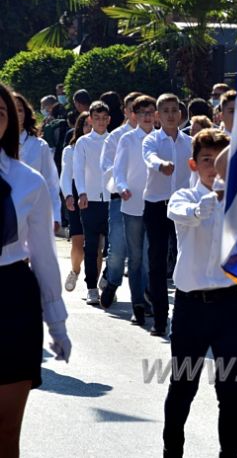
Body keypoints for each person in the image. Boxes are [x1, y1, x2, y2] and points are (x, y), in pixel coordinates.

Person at [162, 128, 237, 458]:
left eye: (220, 161)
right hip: (190, 308)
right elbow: (179, 212)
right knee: (183, 385)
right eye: (207, 160)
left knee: (230, 390)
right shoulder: (184, 196)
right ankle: (173, 450)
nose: (214, 168)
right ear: (193, 164)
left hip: (229, 306)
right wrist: (202, 208)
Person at [0, 82, 71, 458]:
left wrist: (57, 325)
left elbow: (43, 254)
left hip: (12, 297)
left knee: (8, 427)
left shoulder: (28, 180)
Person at [142, 93, 192, 336]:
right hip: (156, 206)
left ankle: (185, 317)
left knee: (184, 258)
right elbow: (150, 159)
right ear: (158, 117)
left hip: (182, 207)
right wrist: (161, 165)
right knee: (157, 262)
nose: (171, 115)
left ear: (180, 115)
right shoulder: (151, 141)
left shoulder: (190, 143)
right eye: (166, 111)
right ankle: (160, 320)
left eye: (175, 110)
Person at [114, 95, 156, 326]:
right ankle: (137, 304)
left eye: (150, 112)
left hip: (156, 206)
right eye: (142, 113)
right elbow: (118, 170)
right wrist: (122, 188)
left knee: (152, 258)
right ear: (133, 116)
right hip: (132, 206)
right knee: (137, 258)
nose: (147, 117)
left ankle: (149, 299)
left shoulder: (161, 139)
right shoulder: (128, 139)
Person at [99, 91, 142, 307]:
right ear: (126, 111)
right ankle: (112, 281)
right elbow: (107, 167)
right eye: (134, 109)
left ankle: (143, 298)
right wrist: (122, 185)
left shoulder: (154, 136)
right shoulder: (116, 137)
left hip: (147, 203)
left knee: (144, 253)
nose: (139, 114)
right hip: (121, 200)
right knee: (117, 249)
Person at [74, 101, 112, 305]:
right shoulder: (83, 143)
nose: (100, 122)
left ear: (109, 119)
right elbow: (78, 170)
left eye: (103, 118)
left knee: (114, 247)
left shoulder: (114, 140)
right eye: (96, 118)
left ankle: (108, 277)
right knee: (91, 246)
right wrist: (81, 193)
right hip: (90, 201)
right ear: (90, 119)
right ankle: (91, 288)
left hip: (111, 200)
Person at [60, 112, 99, 292]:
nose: (89, 129)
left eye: (92, 125)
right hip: (77, 194)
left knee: (96, 243)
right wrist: (68, 195)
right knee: (78, 241)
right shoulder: (71, 149)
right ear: (80, 127)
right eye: (86, 125)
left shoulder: (106, 145)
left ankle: (95, 285)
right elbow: (66, 176)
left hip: (97, 196)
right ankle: (75, 271)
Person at [14, 92, 62, 232]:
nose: (16, 114)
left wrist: (56, 216)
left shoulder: (39, 146)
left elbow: (51, 183)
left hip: (32, 213)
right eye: (12, 109)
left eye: (20, 110)